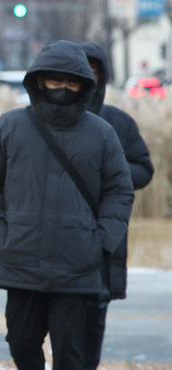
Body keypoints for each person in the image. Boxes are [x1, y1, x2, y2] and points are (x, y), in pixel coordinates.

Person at [0, 40, 135, 370]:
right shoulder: (10, 125)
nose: (62, 88)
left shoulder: (102, 132)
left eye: (71, 81)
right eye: (55, 80)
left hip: (78, 266)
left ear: (85, 85)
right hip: (19, 260)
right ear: (39, 80)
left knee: (71, 355)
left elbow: (120, 190)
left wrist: (101, 240)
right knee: (19, 341)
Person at [78, 41, 154, 369]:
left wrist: (111, 170)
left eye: (94, 73)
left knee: (93, 322)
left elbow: (143, 169)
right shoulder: (34, 123)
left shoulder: (117, 122)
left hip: (102, 238)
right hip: (48, 243)